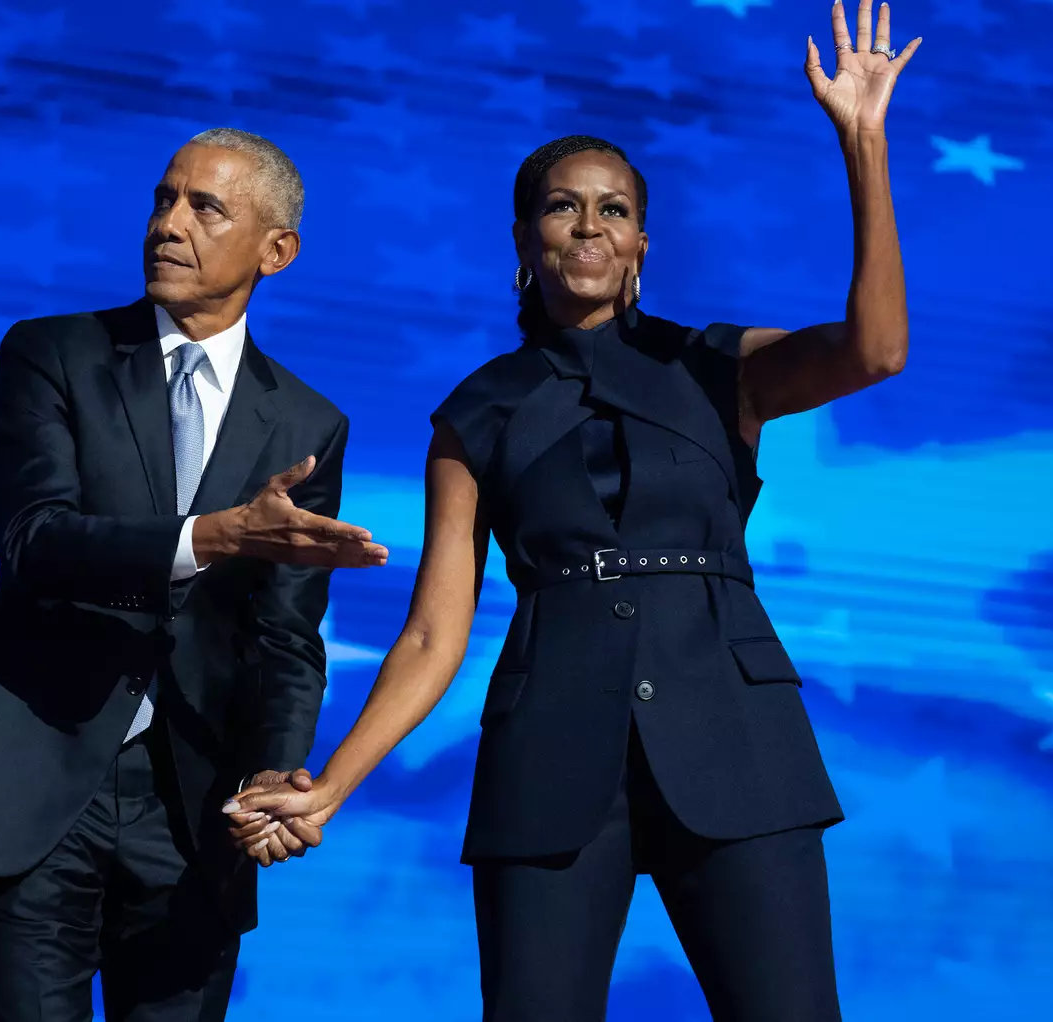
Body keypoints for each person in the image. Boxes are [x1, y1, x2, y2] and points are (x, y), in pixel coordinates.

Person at [225, 3, 920, 1019]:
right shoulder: (476, 412)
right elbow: (432, 629)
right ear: (525, 236)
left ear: (642, 239)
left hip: (738, 738)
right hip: (549, 758)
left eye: (613, 209)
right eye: (562, 206)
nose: (589, 225)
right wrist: (331, 783)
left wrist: (864, 140)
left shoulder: (716, 365)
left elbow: (878, 348)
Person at [0, 128, 387, 1022]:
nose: (170, 223)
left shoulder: (310, 422)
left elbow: (285, 633)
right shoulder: (53, 355)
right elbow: (36, 539)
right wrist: (214, 536)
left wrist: (275, 775)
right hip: (35, 785)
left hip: (197, 814)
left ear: (277, 251)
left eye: (206, 207)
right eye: (164, 198)